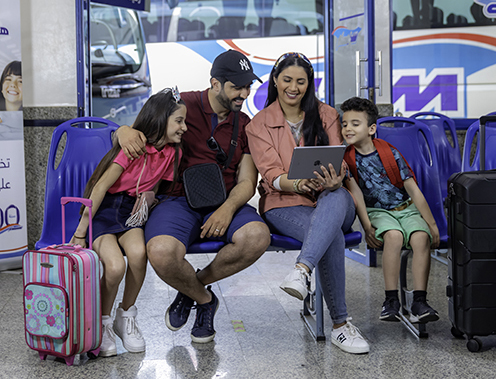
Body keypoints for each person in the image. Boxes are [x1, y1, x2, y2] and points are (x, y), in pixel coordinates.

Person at [115, 50, 271, 343]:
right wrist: (122, 131)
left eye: (247, 86)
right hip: (176, 201)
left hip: (225, 199)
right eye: (236, 87)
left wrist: (226, 209)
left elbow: (248, 181)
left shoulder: (246, 123)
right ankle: (204, 299)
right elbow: (137, 132)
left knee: (257, 237)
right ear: (215, 84)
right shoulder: (181, 105)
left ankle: (190, 288)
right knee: (161, 252)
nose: (244, 93)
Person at [246, 52, 369, 354]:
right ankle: (341, 325)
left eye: (301, 81)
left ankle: (301, 269)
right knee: (332, 236)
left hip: (333, 197)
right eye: (287, 80)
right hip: (285, 203)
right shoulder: (259, 125)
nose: (294, 87)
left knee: (337, 196)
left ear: (309, 84)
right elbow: (271, 174)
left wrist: (334, 179)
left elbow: (341, 160)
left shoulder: (327, 115)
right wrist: (299, 183)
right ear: (275, 80)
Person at [71, 88, 187, 357]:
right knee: (114, 266)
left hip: (131, 211)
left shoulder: (171, 153)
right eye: (179, 121)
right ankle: (102, 324)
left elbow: (155, 186)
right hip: (103, 210)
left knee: (137, 254)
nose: (185, 127)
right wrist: (80, 233)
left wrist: (149, 201)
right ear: (160, 119)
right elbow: (99, 188)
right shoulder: (132, 148)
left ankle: (126, 316)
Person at [340, 96, 440, 324]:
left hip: (407, 209)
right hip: (379, 212)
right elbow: (356, 195)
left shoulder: (389, 153)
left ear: (371, 128)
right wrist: (366, 227)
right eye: (345, 124)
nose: (348, 128)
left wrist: (432, 224)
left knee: (421, 238)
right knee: (393, 237)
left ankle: (419, 301)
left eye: (355, 123)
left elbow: (413, 190)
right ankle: (391, 300)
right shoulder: (348, 160)